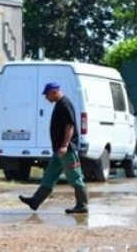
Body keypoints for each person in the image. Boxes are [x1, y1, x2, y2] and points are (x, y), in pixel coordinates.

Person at [19, 81, 89, 214]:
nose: (46, 98)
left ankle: (82, 205)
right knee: (49, 176)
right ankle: (35, 201)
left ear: (54, 92)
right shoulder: (59, 104)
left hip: (66, 150)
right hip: (59, 151)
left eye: (47, 95)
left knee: (75, 176)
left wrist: (64, 145)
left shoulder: (65, 104)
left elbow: (70, 126)